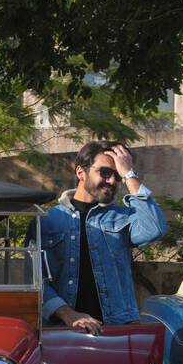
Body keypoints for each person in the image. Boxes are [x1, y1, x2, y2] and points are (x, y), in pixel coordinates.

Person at [34, 141, 168, 332]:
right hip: (62, 332)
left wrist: (129, 174)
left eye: (117, 176)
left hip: (116, 331)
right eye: (105, 172)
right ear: (81, 172)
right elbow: (35, 281)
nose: (112, 181)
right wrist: (67, 314)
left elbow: (156, 228)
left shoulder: (122, 217)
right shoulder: (46, 220)